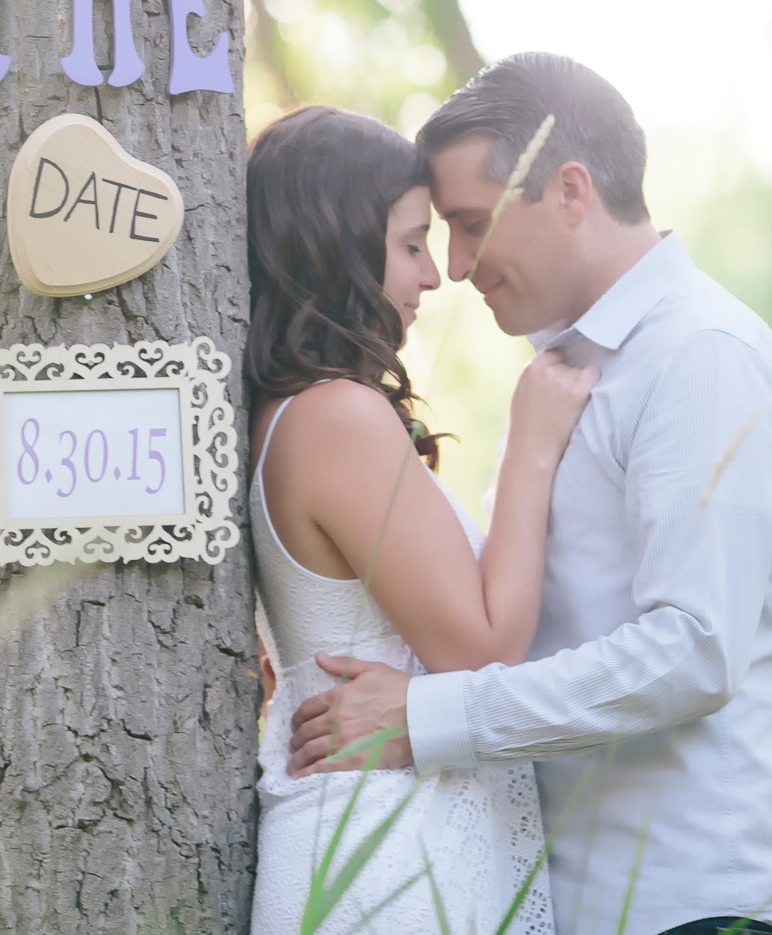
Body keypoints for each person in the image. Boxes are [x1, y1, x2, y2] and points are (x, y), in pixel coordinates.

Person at [286, 55, 772, 935]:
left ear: (570, 192)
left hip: (693, 910)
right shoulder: (565, 372)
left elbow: (692, 649)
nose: (454, 267)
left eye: (468, 224)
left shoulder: (700, 355)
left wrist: (427, 716)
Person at [245, 104, 597, 935]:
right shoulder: (336, 416)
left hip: (383, 846)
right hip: (385, 861)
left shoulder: (297, 410)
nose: (434, 275)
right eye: (410, 244)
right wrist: (530, 450)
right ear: (339, 247)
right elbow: (483, 649)